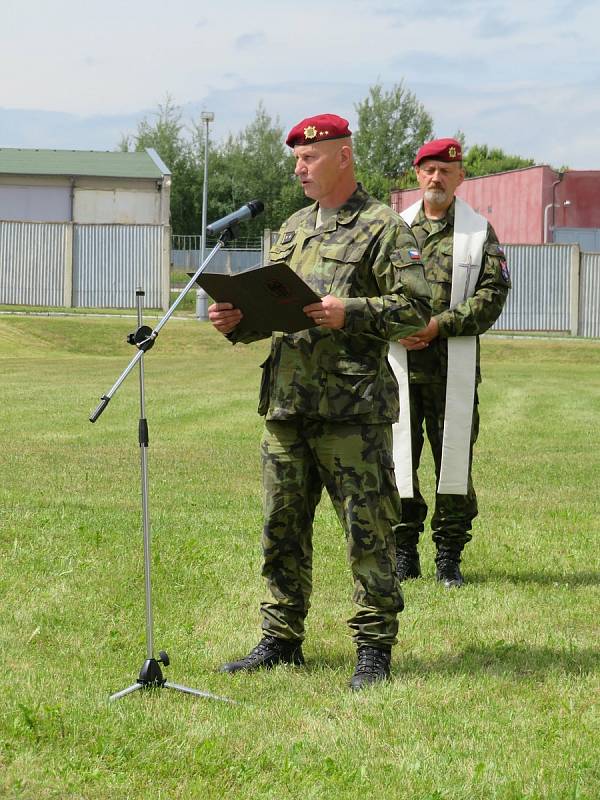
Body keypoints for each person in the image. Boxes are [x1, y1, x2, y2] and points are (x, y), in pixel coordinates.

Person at [208, 113, 432, 690]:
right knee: (281, 528)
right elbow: (276, 313)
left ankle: (374, 649)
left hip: (351, 411)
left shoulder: (383, 227)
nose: (299, 168)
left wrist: (349, 311)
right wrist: (236, 320)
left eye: (309, 158)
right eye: (297, 160)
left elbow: (416, 308)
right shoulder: (292, 229)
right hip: (286, 404)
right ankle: (281, 638)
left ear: (343, 157)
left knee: (367, 531)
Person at [391, 138, 511, 588]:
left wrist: (439, 325)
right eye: (428, 169)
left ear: (461, 177)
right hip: (400, 368)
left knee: (453, 464)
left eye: (446, 170)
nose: (436, 178)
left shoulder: (478, 233)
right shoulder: (395, 229)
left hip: (450, 373)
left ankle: (448, 555)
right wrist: (394, 327)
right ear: (416, 175)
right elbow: (372, 286)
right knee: (397, 461)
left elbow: (493, 294)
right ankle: (404, 552)